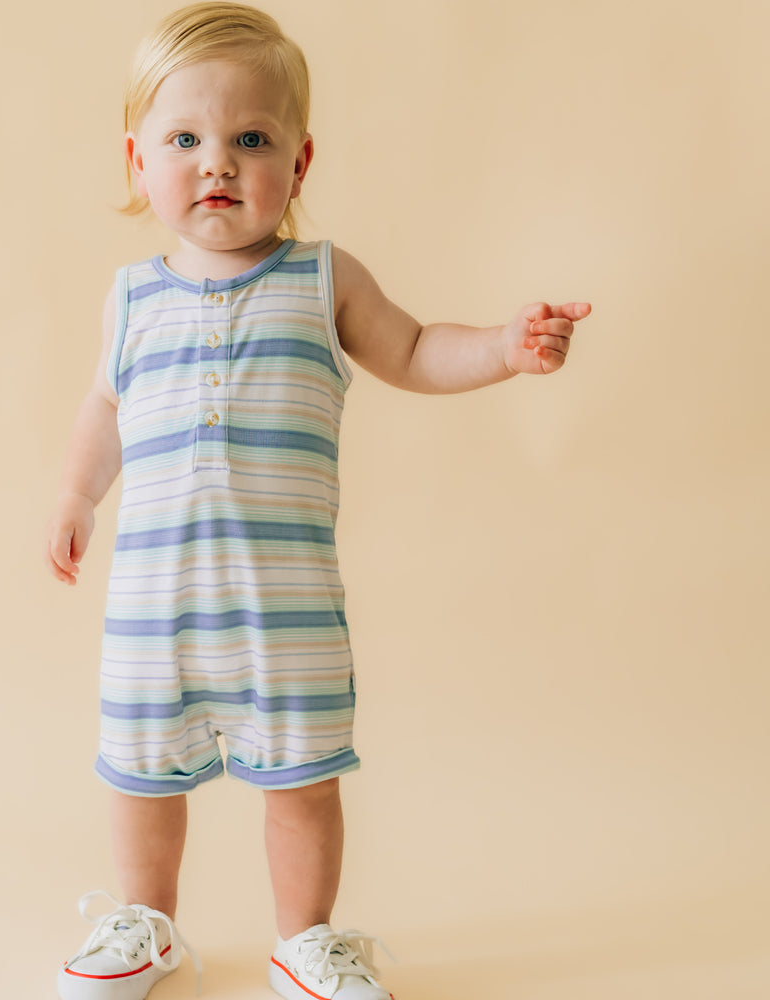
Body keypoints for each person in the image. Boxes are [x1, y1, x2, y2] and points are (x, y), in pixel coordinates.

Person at [44, 3, 591, 999]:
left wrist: (504, 349)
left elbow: (418, 349)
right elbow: (104, 403)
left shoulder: (321, 278)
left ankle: (304, 938)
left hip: (284, 607)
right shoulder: (131, 298)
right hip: (153, 605)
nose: (218, 163)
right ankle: (147, 921)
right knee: (138, 775)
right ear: (137, 160)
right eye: (185, 139)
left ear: (297, 165)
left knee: (300, 784)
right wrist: (78, 491)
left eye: (251, 140)